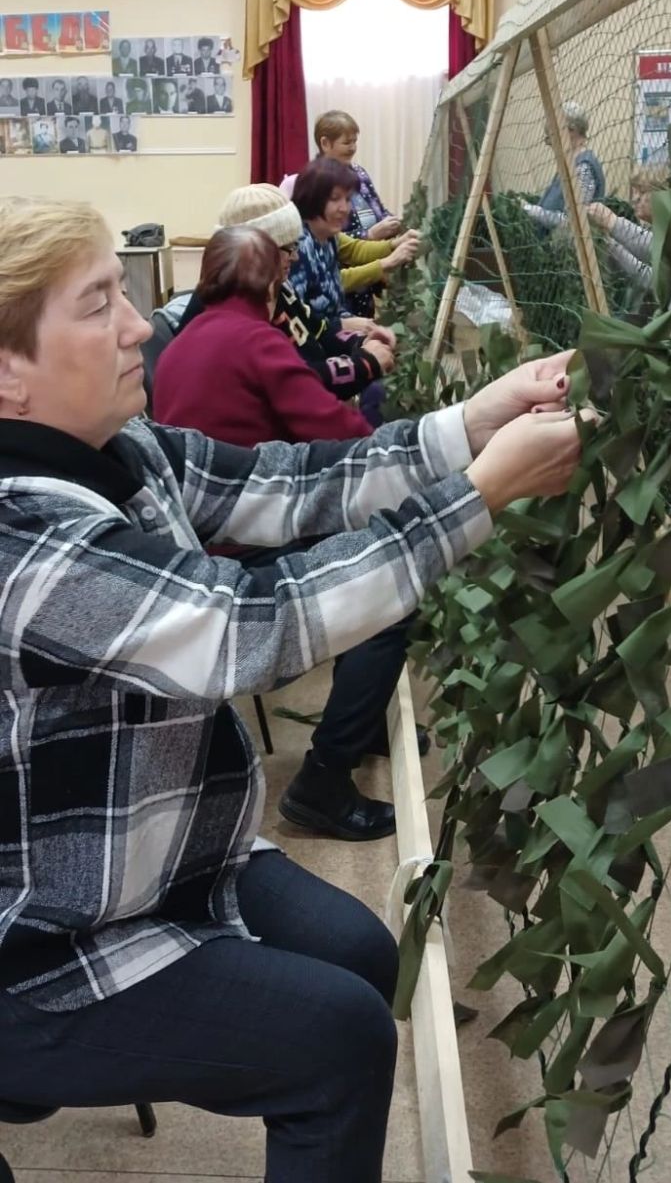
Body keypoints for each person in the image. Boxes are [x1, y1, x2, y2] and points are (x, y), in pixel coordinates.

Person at [0, 196, 582, 1183]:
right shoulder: (23, 540)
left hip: (167, 857)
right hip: (43, 938)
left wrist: (465, 426)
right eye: (101, 303)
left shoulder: (121, 451)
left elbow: (293, 480)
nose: (142, 321)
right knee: (339, 1039)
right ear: (9, 369)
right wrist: (481, 495)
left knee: (359, 952)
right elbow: (247, 623)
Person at [166, 184, 393, 403]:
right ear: (256, 251)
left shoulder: (277, 288)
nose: (294, 257)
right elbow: (297, 386)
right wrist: (365, 363)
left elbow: (318, 333)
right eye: (287, 248)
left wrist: (363, 341)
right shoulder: (234, 307)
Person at [154, 227, 373, 446]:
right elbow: (336, 426)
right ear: (270, 286)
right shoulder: (260, 342)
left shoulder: (175, 347)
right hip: (250, 475)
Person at [291, 158, 419, 324]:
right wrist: (387, 262)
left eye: (348, 199)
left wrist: (395, 244)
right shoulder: (298, 249)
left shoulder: (328, 234)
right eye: (335, 199)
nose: (344, 208)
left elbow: (354, 249)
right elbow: (301, 322)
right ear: (312, 198)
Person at [586, 166, 671, 325]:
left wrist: (612, 222)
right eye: (633, 192)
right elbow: (650, 275)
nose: (634, 199)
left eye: (641, 192)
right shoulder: (658, 228)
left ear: (662, 193)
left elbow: (661, 259)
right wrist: (610, 240)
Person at [281, 109, 402, 241]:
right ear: (325, 144)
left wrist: (395, 224)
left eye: (354, 142)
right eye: (346, 143)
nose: (352, 148)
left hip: (376, 251)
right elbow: (319, 236)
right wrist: (368, 235)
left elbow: (378, 209)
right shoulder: (315, 181)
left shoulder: (359, 172)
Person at [521, 102, 606, 230]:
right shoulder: (570, 164)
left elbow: (572, 222)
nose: (552, 144)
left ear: (571, 131)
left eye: (554, 135)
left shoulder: (583, 168)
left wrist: (531, 211)